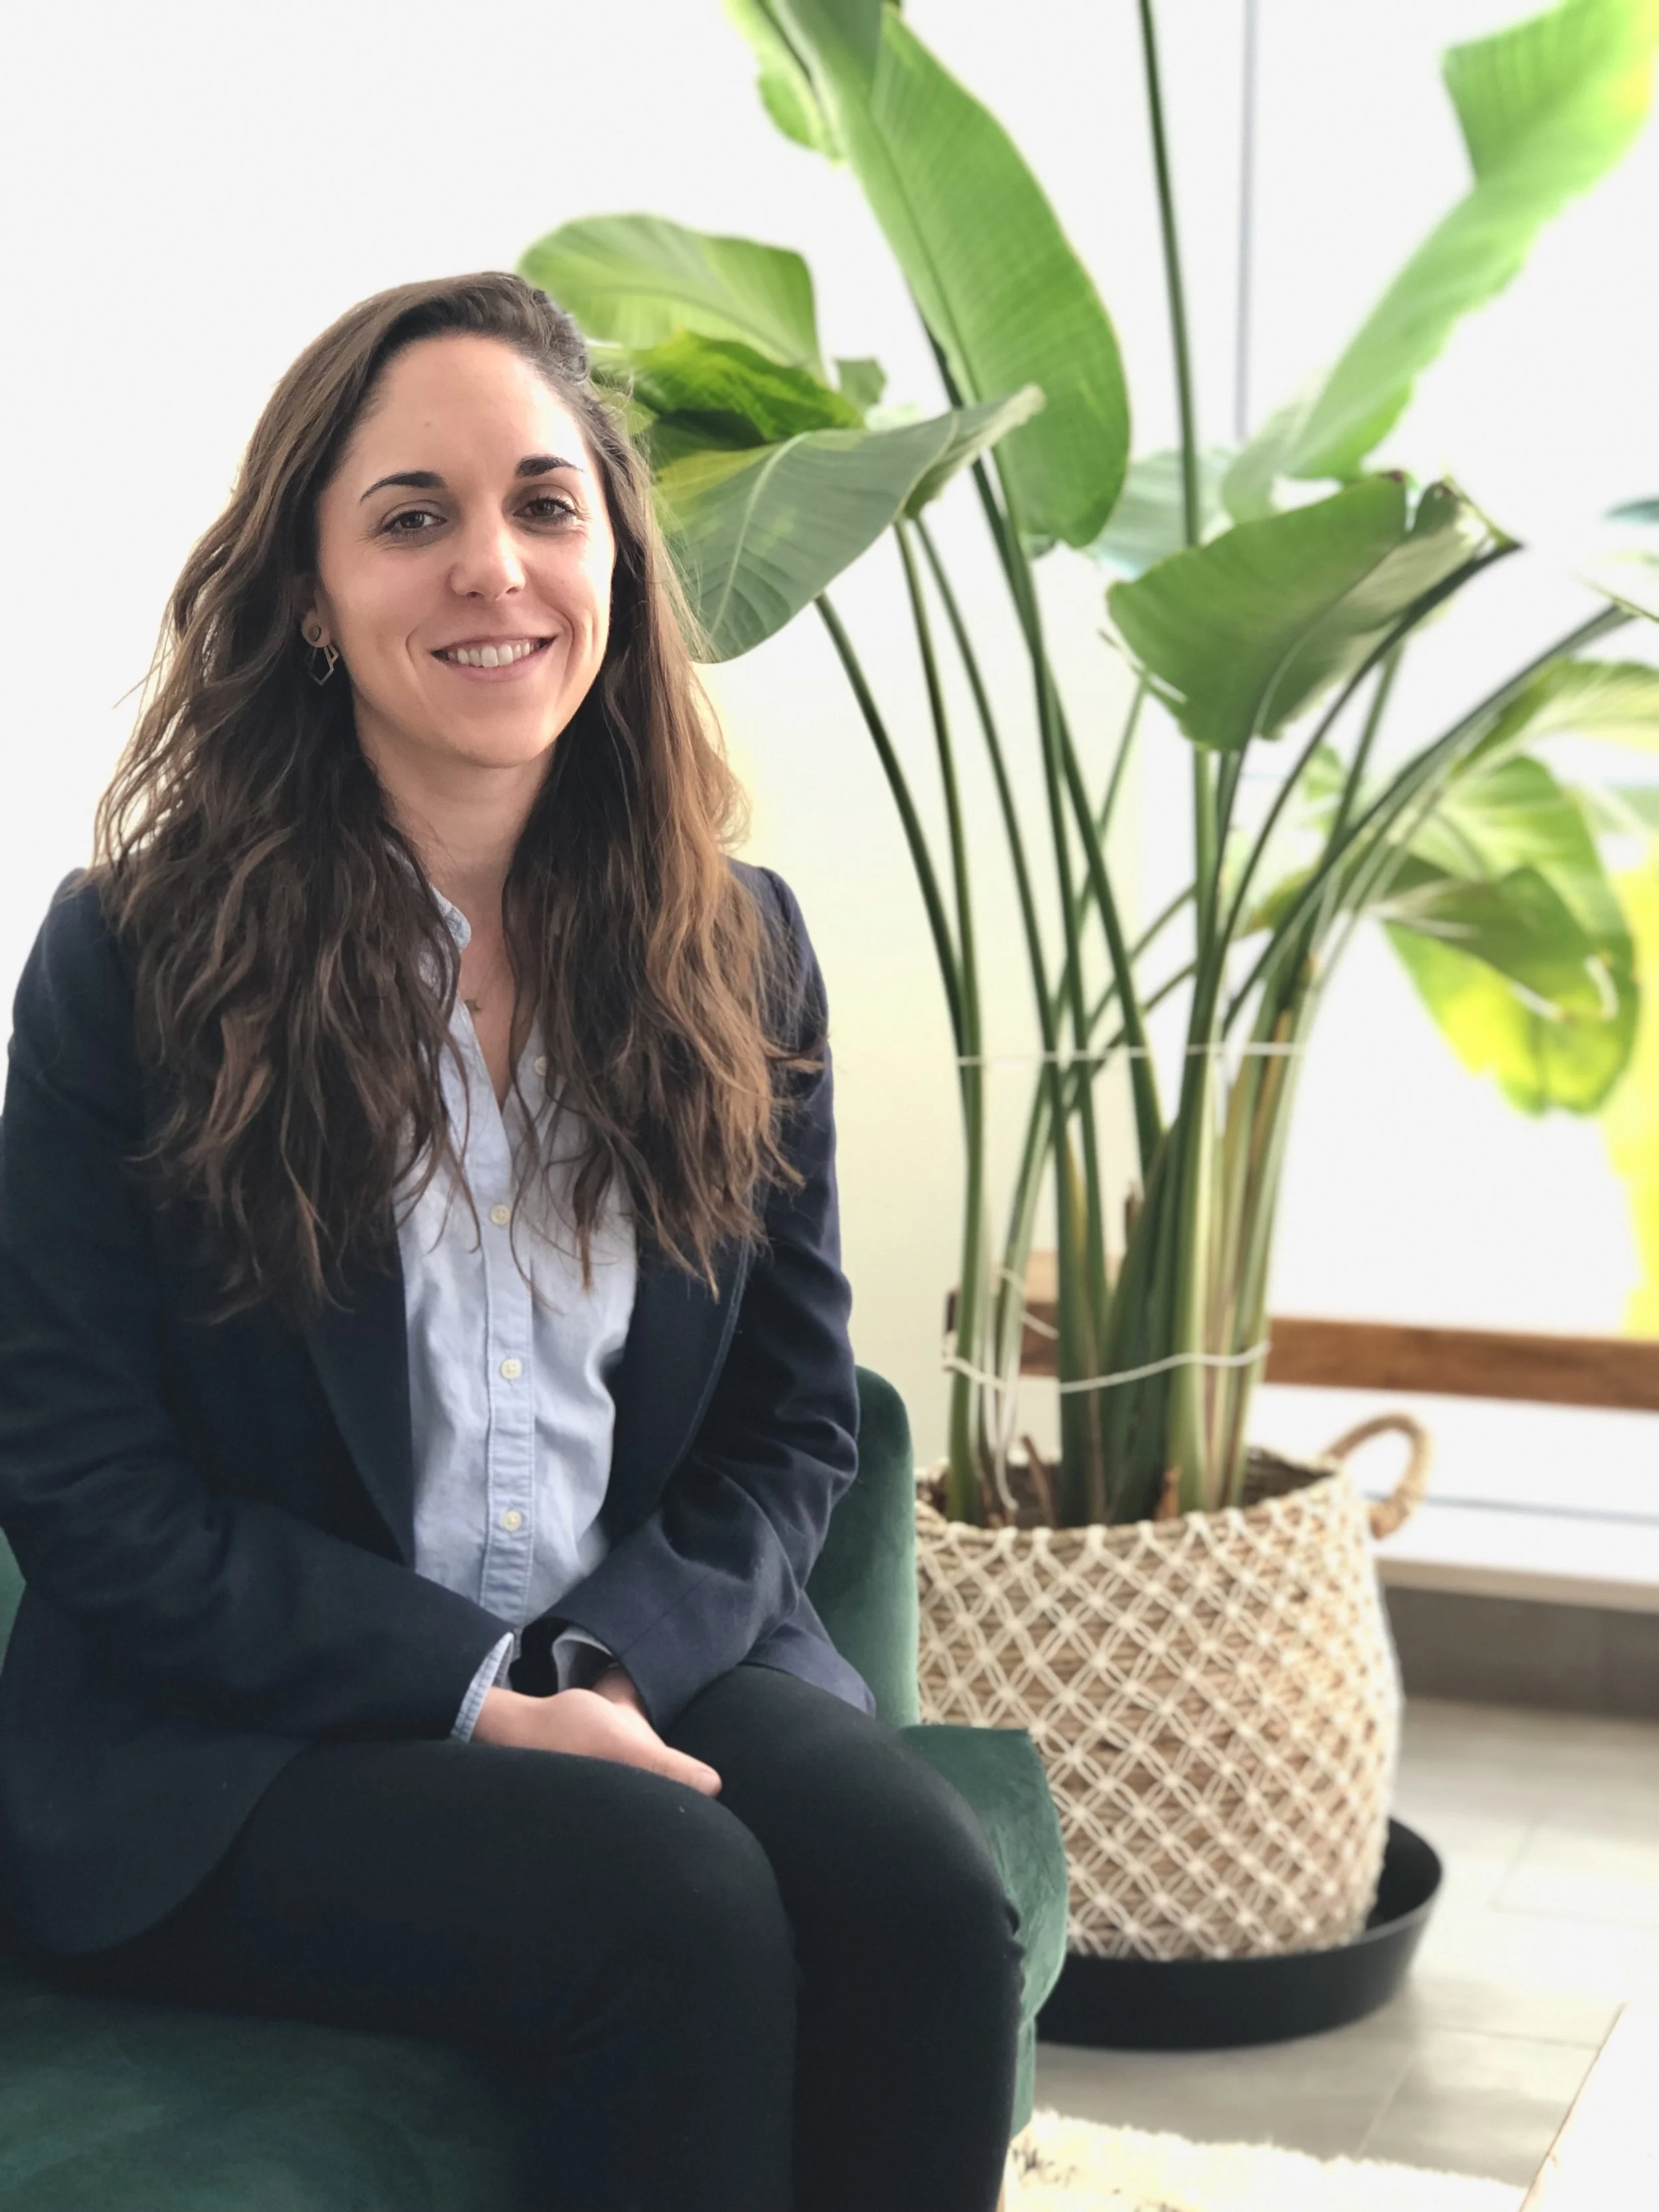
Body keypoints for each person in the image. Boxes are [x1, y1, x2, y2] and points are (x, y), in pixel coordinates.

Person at [0, 272, 1024, 2211]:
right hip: (247, 1738)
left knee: (922, 1899)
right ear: (310, 595)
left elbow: (792, 1425)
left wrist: (602, 1665)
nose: (495, 567)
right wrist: (479, 1690)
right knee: (680, 1906)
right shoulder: (132, 958)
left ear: (616, 562)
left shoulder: (741, 947)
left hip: (642, 1643)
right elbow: (87, 1486)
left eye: (546, 506)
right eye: (413, 515)